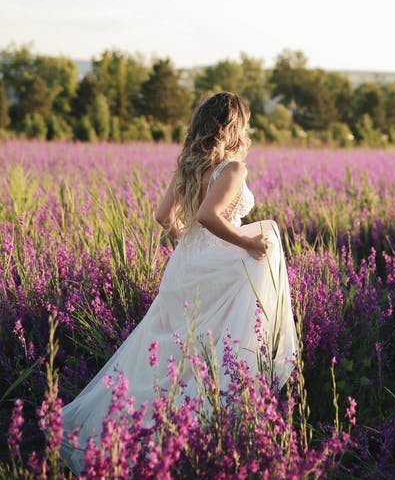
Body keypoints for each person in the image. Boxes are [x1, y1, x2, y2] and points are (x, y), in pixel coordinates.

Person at [59, 91, 298, 475]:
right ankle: (198, 436)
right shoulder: (233, 169)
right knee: (215, 349)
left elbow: (163, 216)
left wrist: (184, 238)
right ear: (234, 127)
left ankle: (129, 430)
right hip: (219, 266)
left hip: (187, 265)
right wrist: (249, 243)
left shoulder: (189, 165)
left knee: (169, 351)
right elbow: (209, 215)